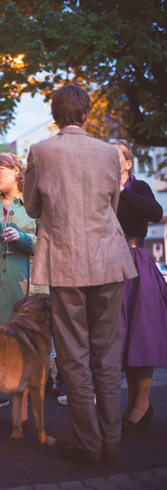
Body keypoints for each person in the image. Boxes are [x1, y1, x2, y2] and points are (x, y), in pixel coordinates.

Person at [24, 84, 138, 467]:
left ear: (55, 117)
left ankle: (88, 444)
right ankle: (111, 442)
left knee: (74, 357)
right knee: (108, 355)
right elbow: (113, 204)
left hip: (65, 261)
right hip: (108, 259)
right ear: (87, 114)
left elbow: (32, 206)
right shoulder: (109, 152)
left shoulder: (40, 152)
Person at [0, 152, 48, 426]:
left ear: (17, 172)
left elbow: (47, 243)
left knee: (21, 345)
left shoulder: (32, 205)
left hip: (23, 282)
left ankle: (23, 406)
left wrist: (23, 238)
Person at [112, 139, 167, 431]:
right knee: (123, 336)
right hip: (108, 264)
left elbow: (155, 213)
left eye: (114, 155)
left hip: (135, 261)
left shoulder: (140, 186)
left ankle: (141, 404)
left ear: (127, 163)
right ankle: (136, 405)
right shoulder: (101, 189)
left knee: (140, 334)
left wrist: (121, 190)